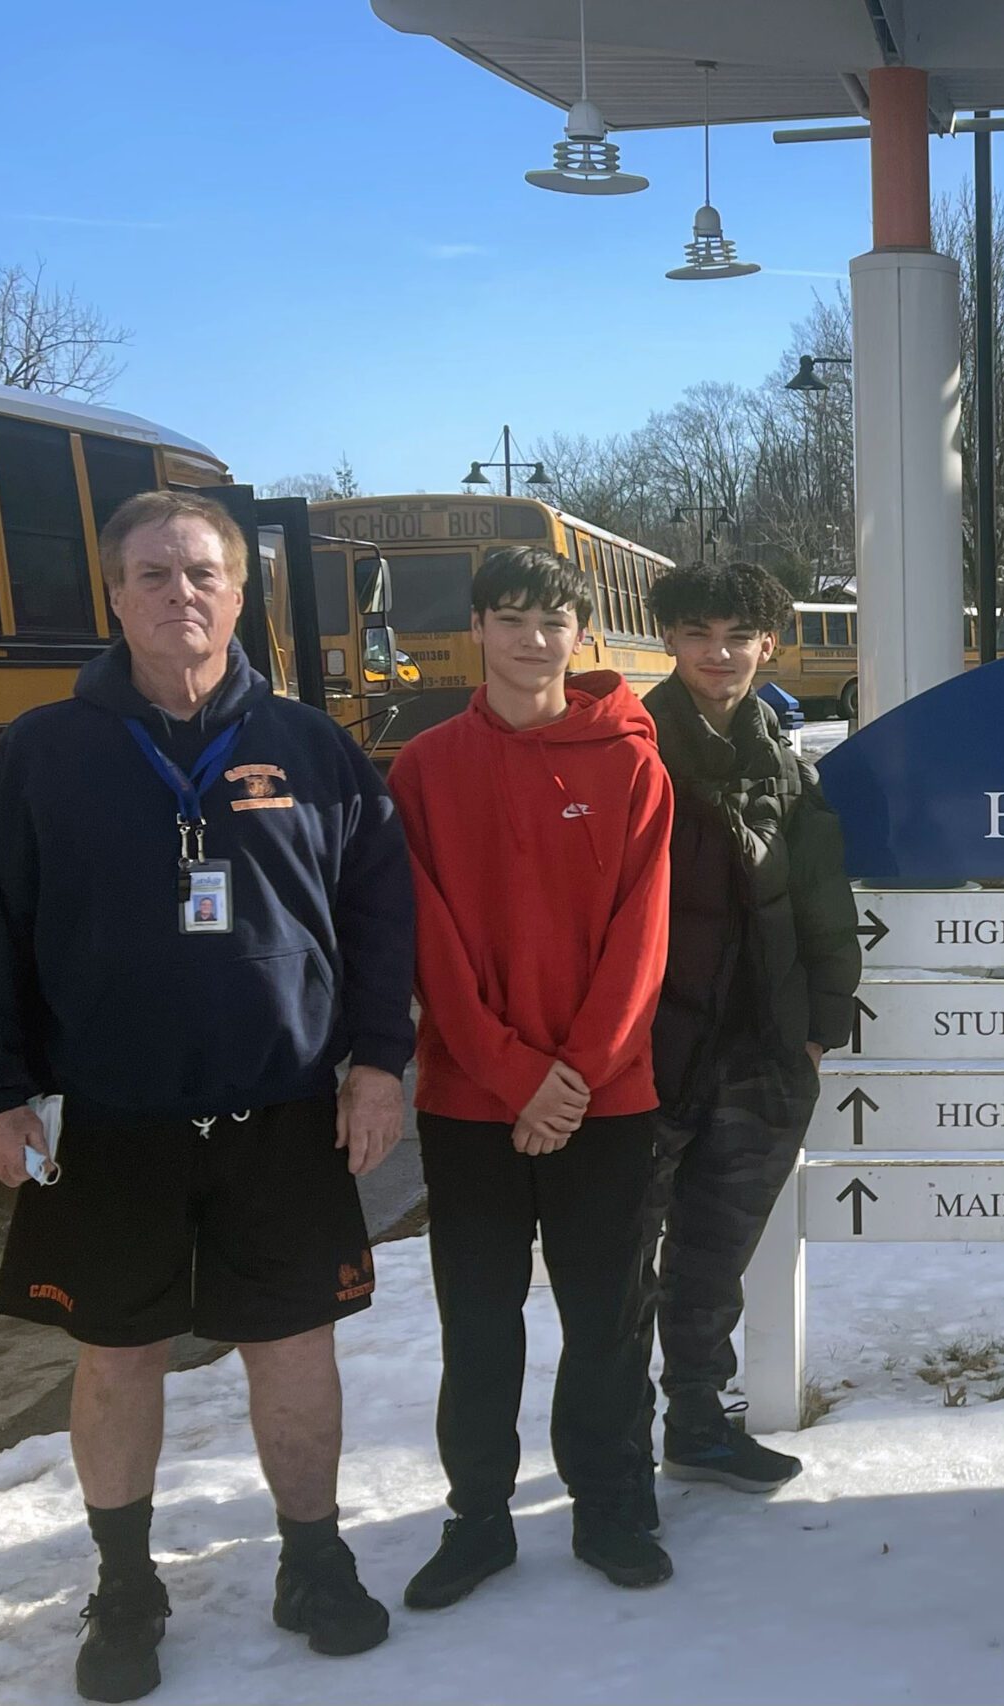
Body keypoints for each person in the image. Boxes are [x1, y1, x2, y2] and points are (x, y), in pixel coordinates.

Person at [0, 490, 413, 1702]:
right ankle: (125, 1584)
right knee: (116, 1358)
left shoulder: (311, 746)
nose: (178, 594)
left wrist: (378, 1060)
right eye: (151, 575)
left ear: (239, 593)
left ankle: (314, 1557)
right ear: (114, 595)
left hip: (286, 1113)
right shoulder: (42, 751)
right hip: (112, 1122)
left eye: (201, 573)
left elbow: (380, 919)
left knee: (294, 1350)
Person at [387, 546, 675, 1608]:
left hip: (609, 1098)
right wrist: (516, 1076)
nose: (531, 638)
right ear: (478, 630)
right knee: (478, 1317)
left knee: (606, 1315)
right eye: (509, 617)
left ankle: (610, 1503)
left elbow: (640, 940)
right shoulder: (423, 768)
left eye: (551, 618)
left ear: (580, 634)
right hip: (471, 1101)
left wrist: (576, 1076)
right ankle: (478, 1516)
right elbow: (430, 942)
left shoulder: (633, 765)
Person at [635, 563, 862, 1496]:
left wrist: (819, 1028)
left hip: (761, 1050)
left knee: (714, 1252)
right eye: (697, 634)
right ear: (670, 641)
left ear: (769, 643)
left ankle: (698, 1420)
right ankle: (613, 1443)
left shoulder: (784, 760)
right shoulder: (632, 744)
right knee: (622, 1262)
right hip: (647, 1050)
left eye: (738, 635)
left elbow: (821, 902)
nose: (717, 654)